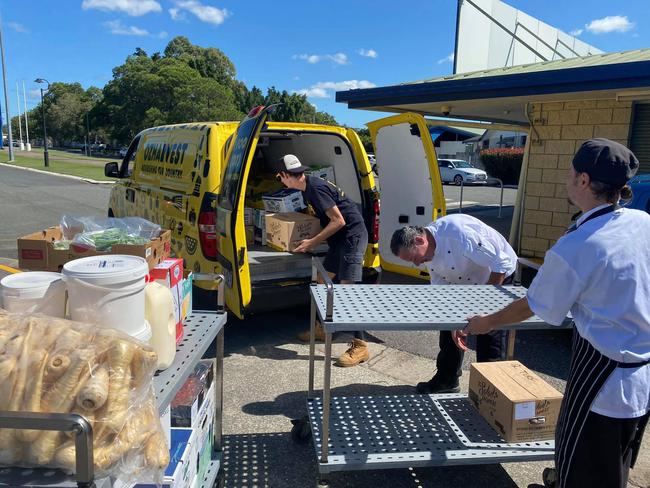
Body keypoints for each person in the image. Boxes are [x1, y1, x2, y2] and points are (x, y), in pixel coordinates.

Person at [460, 139, 649, 488]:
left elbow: (535, 304)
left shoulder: (579, 244)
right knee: (616, 462)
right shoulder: (641, 221)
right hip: (641, 376)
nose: (566, 178)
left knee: (586, 469)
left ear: (583, 180)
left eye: (570, 172)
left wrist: (484, 323)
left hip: (603, 382)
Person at [390, 215, 518, 394]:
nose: (416, 264)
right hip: (465, 284)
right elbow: (441, 289)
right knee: (449, 332)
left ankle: (491, 394)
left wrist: (484, 308)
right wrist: (453, 323)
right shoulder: (428, 252)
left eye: (414, 258)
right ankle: (446, 381)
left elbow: (500, 264)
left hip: (496, 277)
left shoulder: (459, 235)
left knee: (489, 335)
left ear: (420, 240)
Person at [276, 154, 370, 367]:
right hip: (339, 239)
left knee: (347, 290)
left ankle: (361, 345)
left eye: (279, 177)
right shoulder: (309, 186)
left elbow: (339, 220)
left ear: (285, 175)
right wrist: (307, 237)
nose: (280, 181)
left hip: (352, 237)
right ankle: (322, 327)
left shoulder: (315, 189)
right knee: (322, 281)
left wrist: (313, 243)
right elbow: (326, 220)